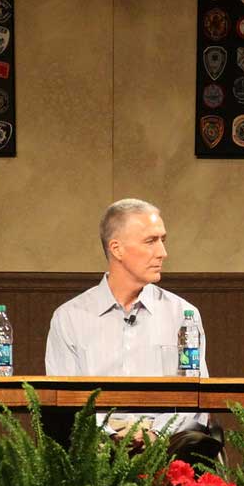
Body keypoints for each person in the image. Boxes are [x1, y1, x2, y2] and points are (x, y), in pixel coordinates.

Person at [45, 198, 222, 462]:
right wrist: (113, 438)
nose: (162, 252)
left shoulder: (183, 315)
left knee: (196, 442)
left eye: (163, 240)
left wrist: (158, 436)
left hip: (170, 445)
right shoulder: (69, 318)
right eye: (150, 241)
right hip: (96, 447)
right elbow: (65, 403)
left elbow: (196, 401)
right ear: (116, 249)